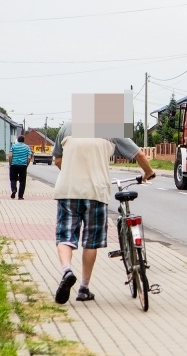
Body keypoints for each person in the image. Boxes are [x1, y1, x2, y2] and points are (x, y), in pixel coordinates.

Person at [52, 122, 156, 304]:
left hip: (67, 190)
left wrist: (74, 172)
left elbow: (58, 160)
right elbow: (138, 154)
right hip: (96, 192)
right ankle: (84, 288)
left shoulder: (67, 127)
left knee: (65, 236)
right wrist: (148, 172)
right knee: (90, 241)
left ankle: (67, 270)